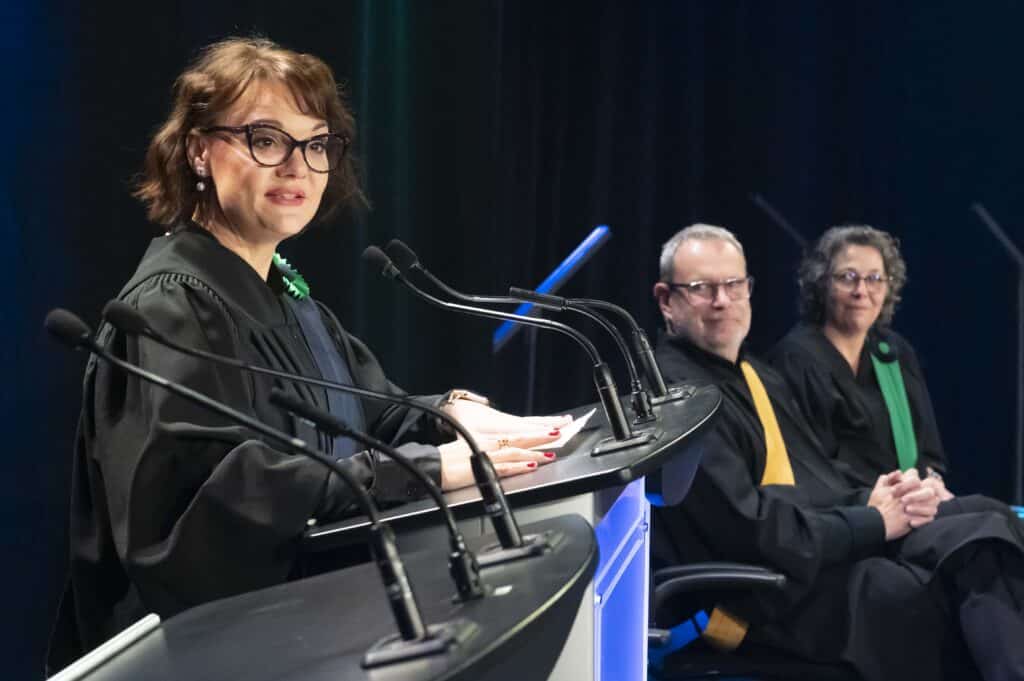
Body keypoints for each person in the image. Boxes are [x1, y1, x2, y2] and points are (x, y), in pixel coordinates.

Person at [51, 37, 568, 664]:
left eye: (316, 144)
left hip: (308, 633)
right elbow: (203, 509)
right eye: (267, 139)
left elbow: (365, 414)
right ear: (198, 151)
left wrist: (450, 416)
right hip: (200, 658)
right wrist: (424, 470)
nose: (297, 167)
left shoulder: (285, 293)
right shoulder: (170, 308)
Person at [650, 223, 1024, 681]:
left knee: (989, 521)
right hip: (765, 595)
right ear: (666, 300)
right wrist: (872, 520)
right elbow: (753, 532)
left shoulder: (755, 374)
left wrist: (880, 497)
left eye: (733, 285)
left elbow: (815, 478)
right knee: (950, 577)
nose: (722, 301)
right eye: (701, 289)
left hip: (818, 549)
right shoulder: (681, 398)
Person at [768, 225, 950, 492]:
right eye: (848, 277)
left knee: (993, 511)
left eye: (874, 278)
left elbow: (927, 453)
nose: (861, 291)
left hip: (910, 500)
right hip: (844, 509)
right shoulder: (795, 360)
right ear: (822, 283)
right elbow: (810, 466)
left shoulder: (893, 352)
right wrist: (887, 498)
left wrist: (933, 483)